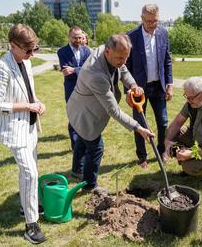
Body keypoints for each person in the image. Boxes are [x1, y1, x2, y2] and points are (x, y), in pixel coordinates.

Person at [66, 34, 154, 191]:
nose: (123, 62)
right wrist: (139, 128)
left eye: (126, 57)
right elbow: (113, 110)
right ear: (107, 52)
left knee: (82, 139)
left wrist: (133, 85)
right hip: (84, 112)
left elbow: (123, 69)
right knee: (95, 147)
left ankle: (76, 170)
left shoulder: (110, 52)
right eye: (120, 58)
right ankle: (89, 186)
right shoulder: (95, 74)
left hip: (84, 105)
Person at [0, 24, 46, 244]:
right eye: (27, 50)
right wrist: (28, 107)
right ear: (12, 45)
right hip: (15, 129)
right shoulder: (1, 66)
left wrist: (37, 103)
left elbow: (29, 93)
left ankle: (27, 206)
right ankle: (31, 226)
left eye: (35, 50)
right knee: (30, 174)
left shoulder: (27, 62)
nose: (31, 54)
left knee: (30, 172)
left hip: (31, 127)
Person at [126, 4, 173, 168]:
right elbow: (125, 67)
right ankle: (142, 156)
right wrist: (129, 89)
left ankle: (161, 152)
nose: (153, 24)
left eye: (156, 21)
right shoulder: (131, 37)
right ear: (142, 19)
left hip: (159, 86)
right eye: (149, 21)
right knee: (139, 124)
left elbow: (167, 60)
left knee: (163, 122)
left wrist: (169, 84)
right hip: (139, 88)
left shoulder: (163, 33)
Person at [57, 26, 91, 178]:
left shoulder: (87, 51)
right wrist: (79, 69)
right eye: (75, 38)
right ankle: (75, 145)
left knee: (85, 117)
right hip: (71, 89)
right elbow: (66, 71)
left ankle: (81, 146)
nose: (78, 40)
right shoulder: (62, 52)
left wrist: (75, 70)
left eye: (79, 37)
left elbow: (89, 68)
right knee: (73, 118)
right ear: (69, 37)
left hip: (86, 88)